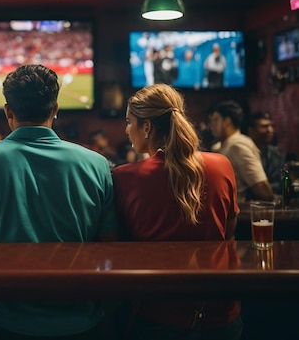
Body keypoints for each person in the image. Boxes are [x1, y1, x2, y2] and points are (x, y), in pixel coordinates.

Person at [0, 64, 117, 340]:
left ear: (8, 112)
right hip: (81, 323)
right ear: (55, 109)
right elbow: (109, 247)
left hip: (1, 322)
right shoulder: (97, 165)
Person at [112, 84, 241, 340]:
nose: (127, 130)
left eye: (129, 122)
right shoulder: (222, 165)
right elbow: (228, 235)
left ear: (146, 127)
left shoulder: (125, 177)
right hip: (221, 313)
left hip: (156, 315)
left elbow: (120, 245)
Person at [208, 100, 274, 203]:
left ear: (227, 122)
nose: (212, 125)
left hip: (239, 212)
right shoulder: (219, 146)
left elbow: (263, 189)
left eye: (216, 120)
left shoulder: (238, 145)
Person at [248, 111, 286, 194]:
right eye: (264, 126)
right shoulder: (246, 153)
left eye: (272, 126)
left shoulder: (278, 154)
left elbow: (283, 182)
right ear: (251, 130)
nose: (270, 130)